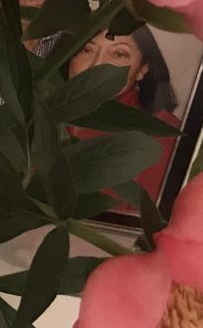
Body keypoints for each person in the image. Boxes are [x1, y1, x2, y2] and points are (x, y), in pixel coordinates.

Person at [67, 27, 180, 204]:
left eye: (119, 54)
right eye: (87, 50)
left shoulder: (164, 134)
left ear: (142, 69)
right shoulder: (36, 114)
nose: (97, 65)